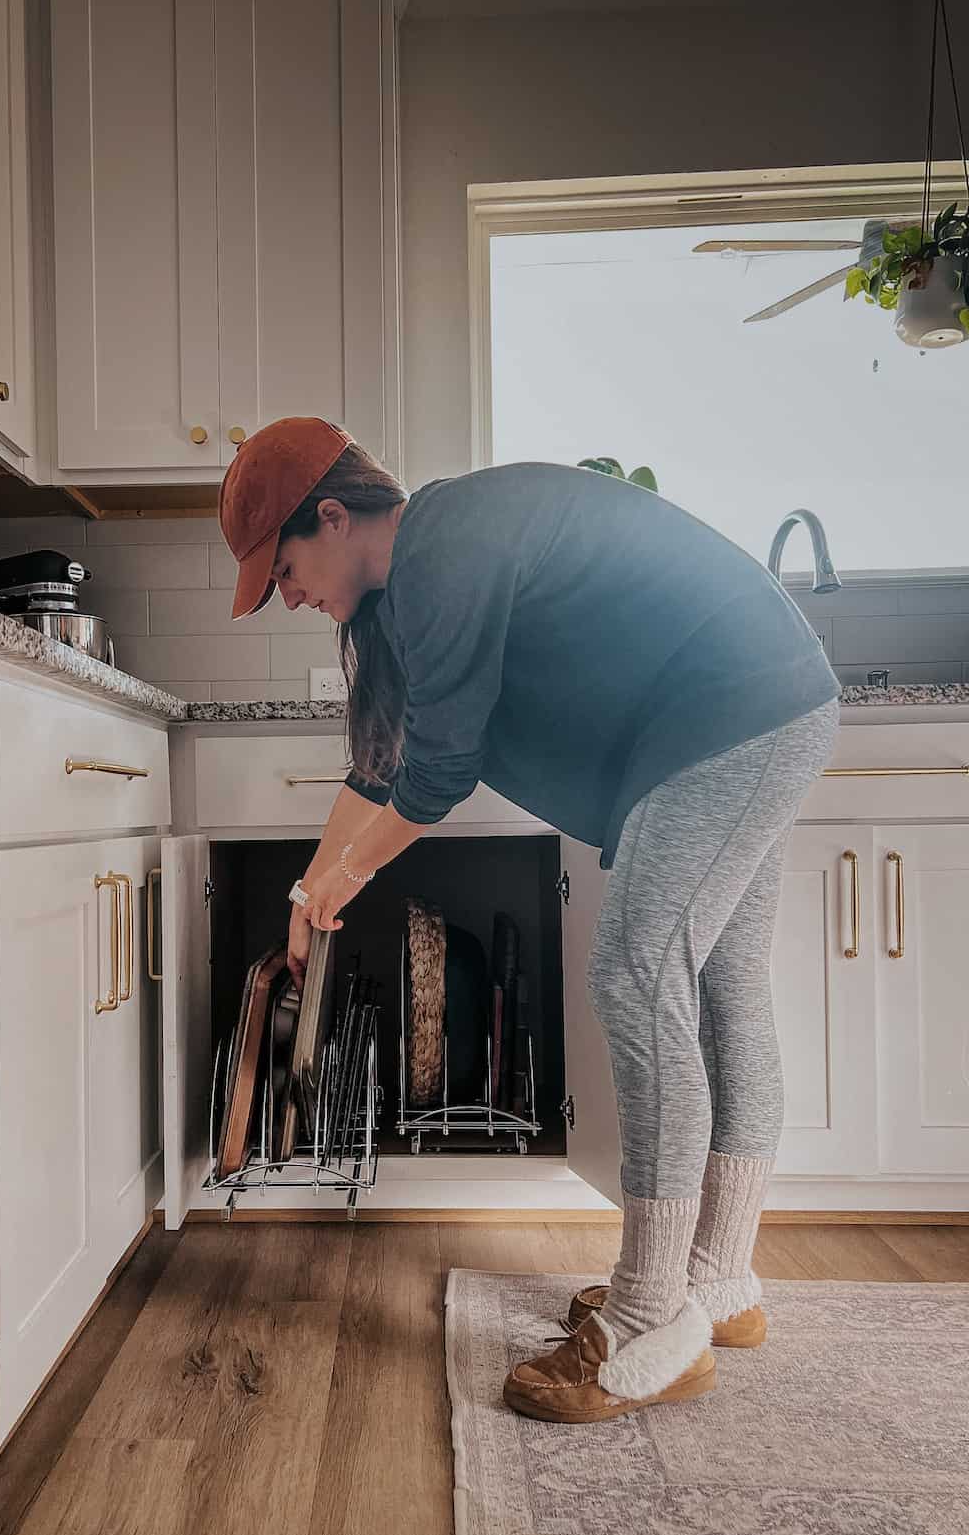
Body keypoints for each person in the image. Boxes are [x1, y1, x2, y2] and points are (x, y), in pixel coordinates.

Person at [218, 416, 839, 1425]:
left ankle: (649, 1318)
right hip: (751, 703)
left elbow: (438, 778)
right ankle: (716, 1283)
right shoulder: (415, 585)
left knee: (637, 978)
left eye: (283, 568)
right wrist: (309, 888)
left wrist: (344, 880)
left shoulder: (442, 546)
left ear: (333, 516)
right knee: (722, 992)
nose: (288, 595)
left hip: (730, 713)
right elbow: (379, 769)